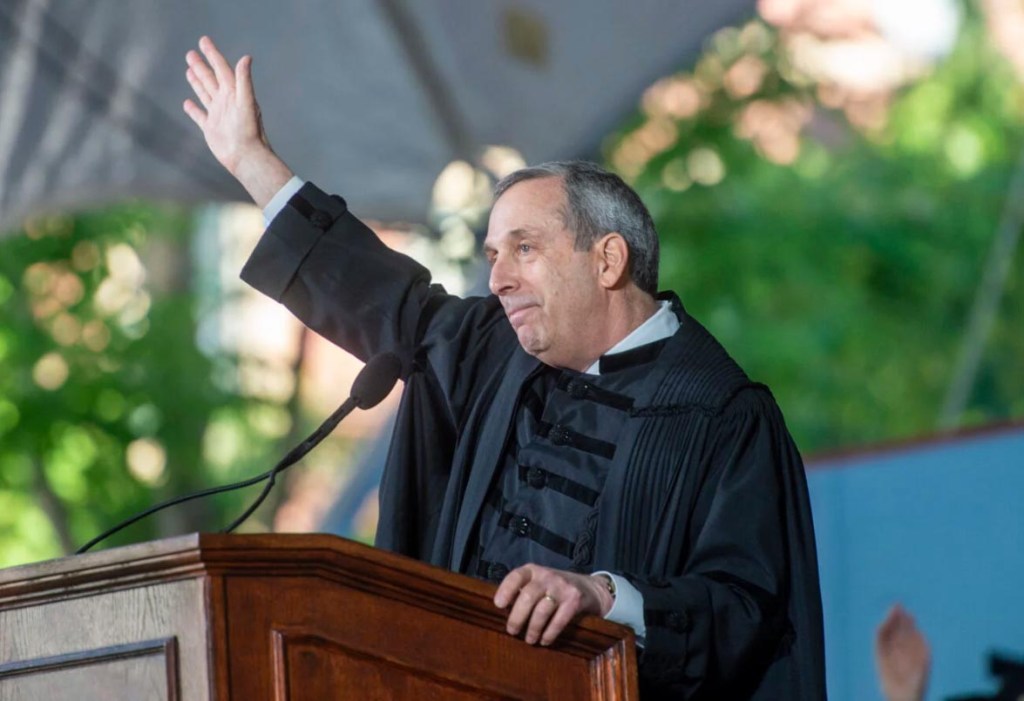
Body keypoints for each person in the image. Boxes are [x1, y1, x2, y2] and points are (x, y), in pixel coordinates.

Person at [183, 36, 826, 699]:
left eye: (524, 248)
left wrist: (604, 597)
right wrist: (250, 161)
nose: (498, 279)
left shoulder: (720, 415)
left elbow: (745, 609)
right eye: (492, 254)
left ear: (608, 261)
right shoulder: (489, 352)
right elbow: (373, 289)